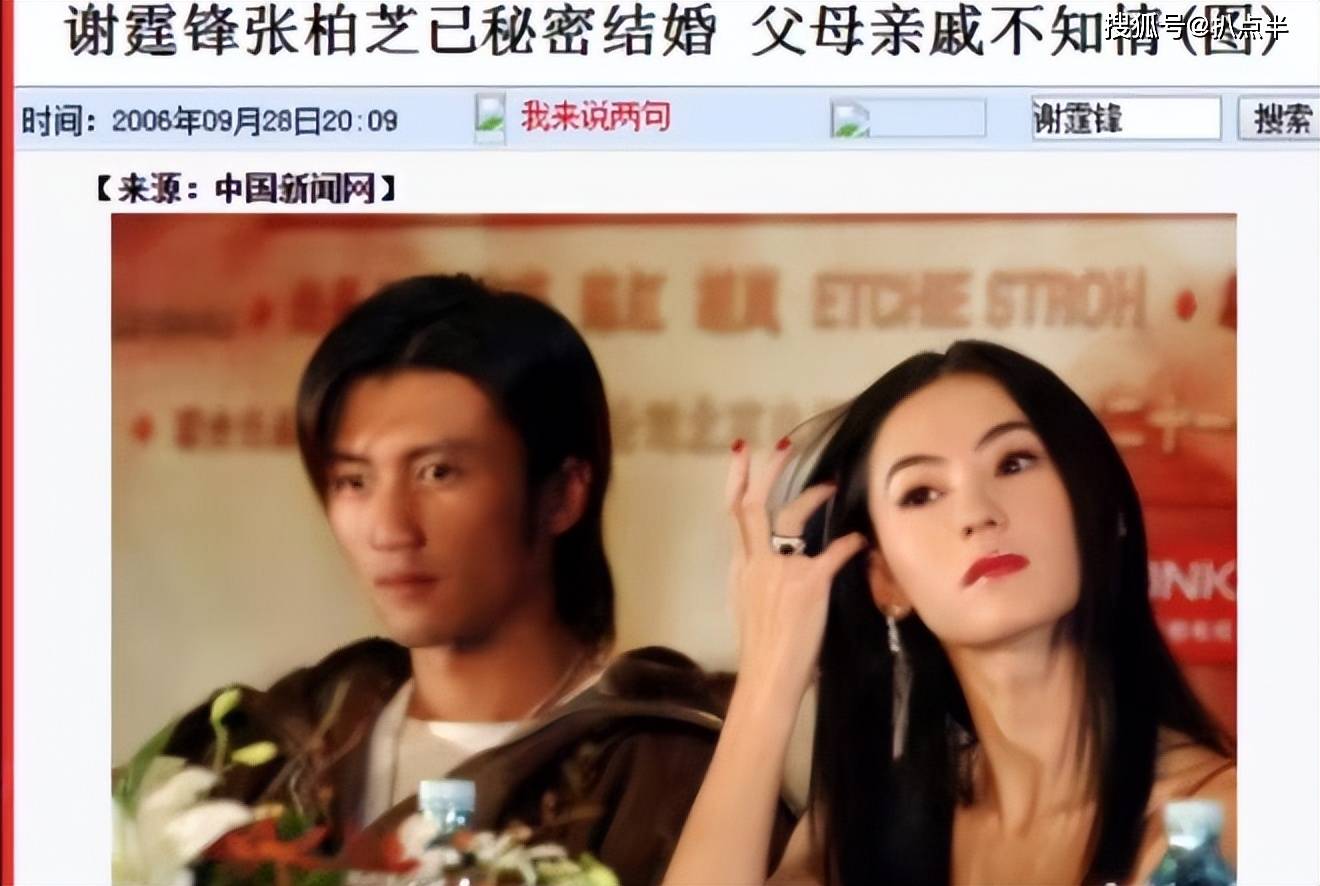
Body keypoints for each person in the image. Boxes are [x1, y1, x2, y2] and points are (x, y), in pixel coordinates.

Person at [151, 274, 792, 884]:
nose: (389, 529)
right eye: (354, 481)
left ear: (562, 494)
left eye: (438, 473)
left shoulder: (670, 771)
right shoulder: (260, 750)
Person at [664, 340, 1234, 886]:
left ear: (1101, 503)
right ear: (884, 578)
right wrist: (766, 683)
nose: (977, 513)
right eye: (922, 493)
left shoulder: (1215, 828)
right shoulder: (865, 830)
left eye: (1014, 462)